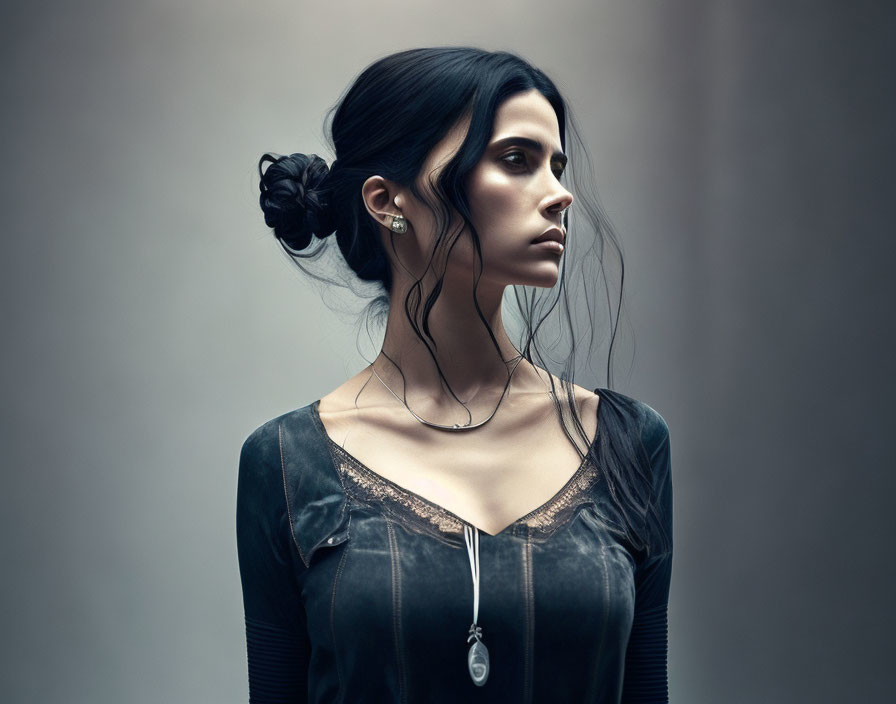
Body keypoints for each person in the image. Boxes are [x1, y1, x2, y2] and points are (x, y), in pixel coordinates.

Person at [237, 46, 673, 703]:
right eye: (517, 161)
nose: (560, 195)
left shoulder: (628, 444)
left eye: (557, 166)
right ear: (388, 201)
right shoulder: (287, 463)